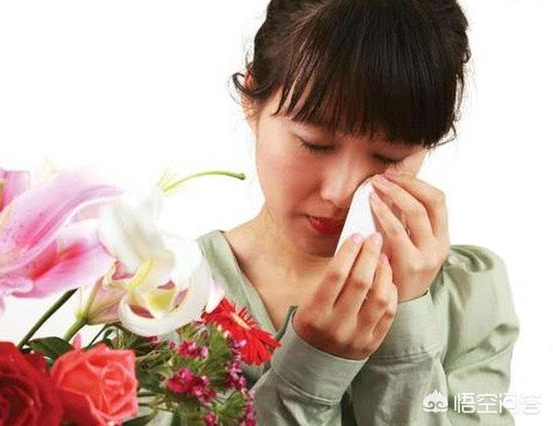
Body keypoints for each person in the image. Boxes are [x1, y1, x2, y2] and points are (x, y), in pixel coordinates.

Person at [195, 0, 520, 424]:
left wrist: (406, 327)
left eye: (389, 156)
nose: (340, 192)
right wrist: (311, 369)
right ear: (252, 96)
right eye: (314, 143)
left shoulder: (467, 295)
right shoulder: (162, 290)